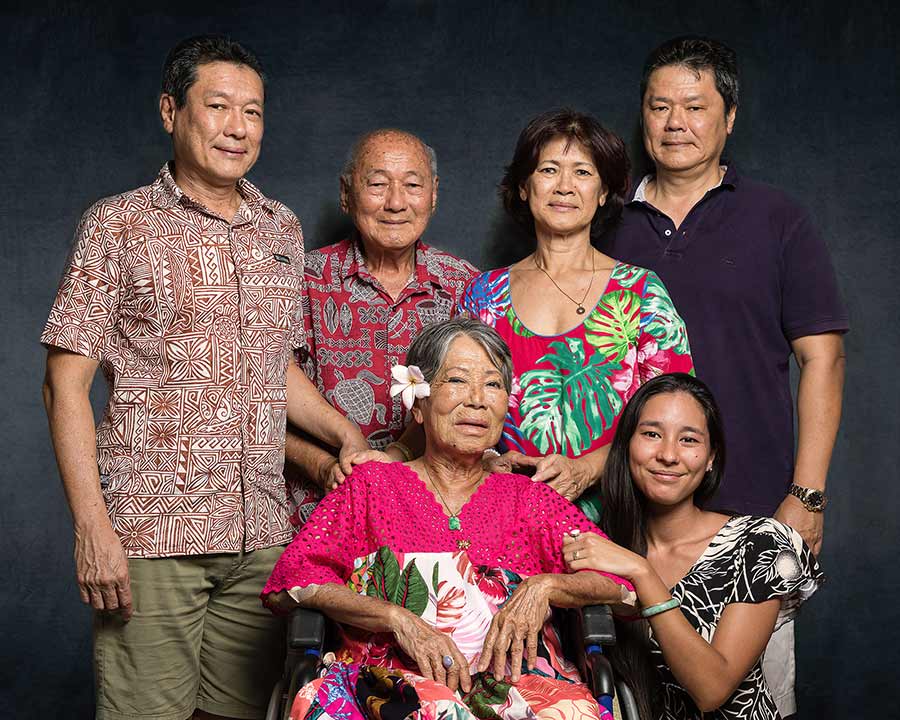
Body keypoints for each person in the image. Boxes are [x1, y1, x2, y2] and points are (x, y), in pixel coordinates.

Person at [40, 35, 371, 720]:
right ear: (171, 111)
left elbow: (273, 365)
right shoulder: (118, 224)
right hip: (154, 537)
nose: (237, 127)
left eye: (252, 112)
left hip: (260, 535)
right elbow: (64, 383)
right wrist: (91, 527)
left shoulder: (278, 227)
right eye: (217, 106)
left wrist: (346, 434)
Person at [598, 37, 847, 716]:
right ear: (642, 117)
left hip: (752, 516)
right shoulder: (603, 220)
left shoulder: (777, 219)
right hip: (626, 519)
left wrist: (809, 495)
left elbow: (822, 358)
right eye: (659, 106)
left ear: (729, 117)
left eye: (695, 106)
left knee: (748, 701)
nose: (675, 122)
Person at [263, 317, 635, 720]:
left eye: (492, 384)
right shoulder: (372, 486)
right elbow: (292, 581)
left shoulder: (530, 498)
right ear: (419, 404)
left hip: (526, 689)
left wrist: (546, 586)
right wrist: (395, 618)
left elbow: (620, 583)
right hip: (385, 688)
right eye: (457, 381)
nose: (477, 400)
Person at [457, 109, 694, 519]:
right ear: (524, 187)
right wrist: (484, 462)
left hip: (618, 520)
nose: (565, 186)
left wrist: (588, 468)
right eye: (549, 169)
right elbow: (457, 406)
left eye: (583, 172)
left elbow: (677, 414)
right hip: (502, 520)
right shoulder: (482, 296)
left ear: (604, 192)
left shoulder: (641, 293)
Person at [564, 373, 823, 720]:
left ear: (711, 456)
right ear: (626, 446)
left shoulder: (760, 543)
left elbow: (712, 689)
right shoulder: (603, 549)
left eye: (688, 439)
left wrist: (642, 573)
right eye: (652, 434)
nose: (668, 455)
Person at [285, 129, 478, 524]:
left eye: (412, 185)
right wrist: (323, 465)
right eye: (376, 184)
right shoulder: (302, 280)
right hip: (319, 512)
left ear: (433, 194)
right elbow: (261, 400)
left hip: (436, 517)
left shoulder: (466, 287)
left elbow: (478, 408)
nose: (395, 203)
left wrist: (399, 455)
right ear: (346, 193)